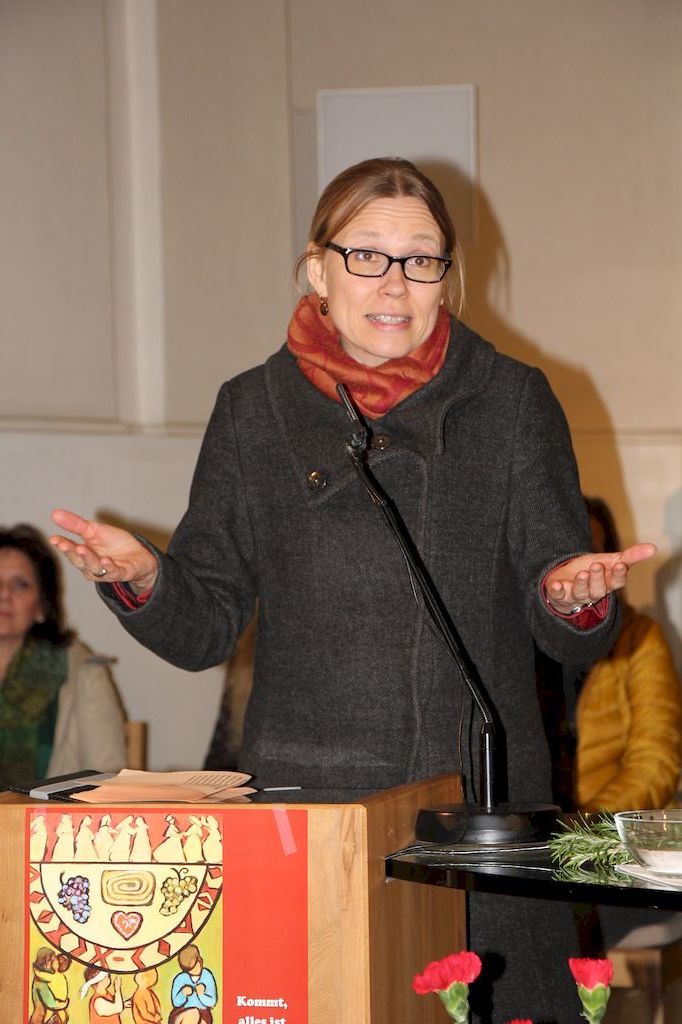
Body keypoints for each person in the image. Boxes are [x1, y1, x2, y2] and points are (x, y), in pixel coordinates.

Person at [49, 157, 656, 1023]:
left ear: (448, 275)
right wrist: (147, 578)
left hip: (474, 812)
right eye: (366, 255)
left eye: (421, 259)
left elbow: (565, 628)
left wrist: (572, 598)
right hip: (310, 808)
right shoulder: (253, 410)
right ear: (317, 269)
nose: (395, 283)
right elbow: (204, 626)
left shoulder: (515, 401)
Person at [0, 524, 127, 789]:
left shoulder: (83, 672)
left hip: (50, 815)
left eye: (20, 585)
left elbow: (108, 782)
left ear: (41, 607)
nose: (4, 595)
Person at [576, 497, 681, 812]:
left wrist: (583, 825)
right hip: (522, 826)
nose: (580, 572)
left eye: (592, 554)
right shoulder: (517, 641)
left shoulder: (640, 636)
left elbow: (656, 762)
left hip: (601, 829)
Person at [169, 945, 217, 1023]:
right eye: (189, 970)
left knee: (199, 1017)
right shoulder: (180, 978)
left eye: (195, 966)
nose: (194, 971)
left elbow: (212, 1002)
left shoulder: (207, 975)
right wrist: (182, 994)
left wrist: (201, 995)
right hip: (182, 1011)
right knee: (194, 1013)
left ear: (199, 960)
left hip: (203, 1012)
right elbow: (176, 1003)